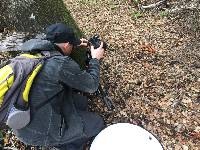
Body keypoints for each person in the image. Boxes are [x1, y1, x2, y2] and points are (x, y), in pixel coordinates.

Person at [13, 23, 105, 150]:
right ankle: (64, 145)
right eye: (72, 45)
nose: (73, 47)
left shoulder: (32, 51)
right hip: (36, 131)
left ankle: (64, 130)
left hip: (20, 120)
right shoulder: (59, 64)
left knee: (81, 102)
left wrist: (76, 42)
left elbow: (59, 47)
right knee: (97, 123)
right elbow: (91, 85)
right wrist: (95, 59)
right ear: (67, 45)